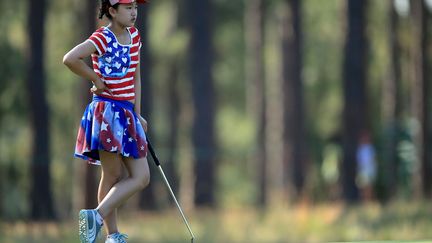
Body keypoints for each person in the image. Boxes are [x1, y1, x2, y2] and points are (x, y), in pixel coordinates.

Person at [63, 0, 149, 242]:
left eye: (135, 7)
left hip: (127, 113)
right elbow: (70, 58)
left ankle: (97, 216)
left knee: (141, 176)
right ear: (112, 10)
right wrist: (96, 80)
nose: (133, 12)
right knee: (111, 176)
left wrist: (138, 113)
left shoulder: (134, 36)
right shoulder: (102, 37)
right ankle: (112, 235)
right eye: (128, 7)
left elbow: (136, 77)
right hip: (107, 114)